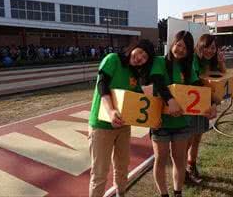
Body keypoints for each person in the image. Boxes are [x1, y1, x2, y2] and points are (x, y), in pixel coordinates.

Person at [88, 39, 155, 197]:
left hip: (123, 126)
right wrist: (110, 110)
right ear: (134, 47)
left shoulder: (134, 74)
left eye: (145, 58)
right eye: (140, 52)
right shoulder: (113, 59)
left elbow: (140, 98)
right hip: (101, 126)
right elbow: (102, 85)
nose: (140, 58)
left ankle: (121, 193)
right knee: (99, 173)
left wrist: (155, 116)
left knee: (122, 166)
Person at [149, 30, 213, 197]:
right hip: (160, 122)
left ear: (189, 50)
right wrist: (170, 100)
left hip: (182, 123)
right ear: (173, 44)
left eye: (185, 47)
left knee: (179, 160)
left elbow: (198, 85)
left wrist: (211, 103)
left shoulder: (187, 67)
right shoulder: (159, 61)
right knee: (160, 160)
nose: (180, 49)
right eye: (178, 45)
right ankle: (164, 194)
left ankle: (178, 193)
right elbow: (158, 81)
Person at [185, 34, 222, 184]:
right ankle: (183, 172)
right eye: (206, 47)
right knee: (188, 140)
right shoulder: (193, 59)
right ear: (200, 46)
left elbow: (221, 78)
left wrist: (221, 62)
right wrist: (213, 102)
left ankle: (191, 166)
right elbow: (196, 82)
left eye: (213, 48)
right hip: (191, 103)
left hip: (204, 103)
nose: (210, 51)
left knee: (197, 138)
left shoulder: (211, 62)